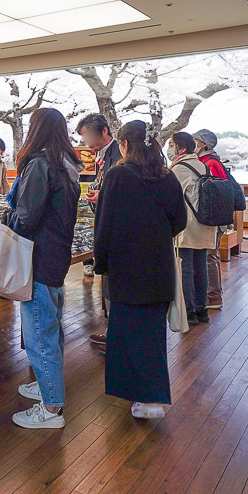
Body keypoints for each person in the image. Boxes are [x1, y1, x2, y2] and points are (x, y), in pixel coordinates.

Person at [94, 120, 185, 419]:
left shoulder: (118, 174)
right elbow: (179, 221)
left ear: (124, 145)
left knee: (126, 333)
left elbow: (104, 224)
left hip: (126, 265)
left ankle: (141, 397)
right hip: (158, 264)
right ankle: (151, 399)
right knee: (151, 334)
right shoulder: (167, 176)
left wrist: (101, 262)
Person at [7, 109, 82, 429]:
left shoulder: (40, 165)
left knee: (40, 332)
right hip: (56, 254)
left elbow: (26, 217)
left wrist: (6, 217)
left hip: (37, 258)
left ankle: (51, 408)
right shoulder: (67, 166)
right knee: (50, 326)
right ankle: (46, 384)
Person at [76, 113, 122, 349]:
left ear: (105, 131)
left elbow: (120, 192)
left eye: (89, 137)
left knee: (114, 283)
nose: (87, 143)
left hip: (116, 228)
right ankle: (113, 329)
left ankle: (116, 334)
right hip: (105, 222)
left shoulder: (119, 155)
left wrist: (101, 195)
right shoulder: (101, 155)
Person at [169, 132, 217, 327]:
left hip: (188, 224)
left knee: (186, 267)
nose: (169, 148)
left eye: (172, 144)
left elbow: (171, 197)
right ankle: (201, 309)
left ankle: (189, 311)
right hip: (204, 223)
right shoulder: (202, 165)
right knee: (201, 266)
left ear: (181, 148)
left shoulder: (180, 168)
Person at [192, 129, 227, 309]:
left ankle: (213, 296)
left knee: (210, 255)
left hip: (213, 217)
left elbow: (212, 193)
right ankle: (210, 294)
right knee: (209, 254)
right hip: (215, 215)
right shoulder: (210, 161)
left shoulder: (209, 163)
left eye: (195, 140)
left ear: (203, 144)